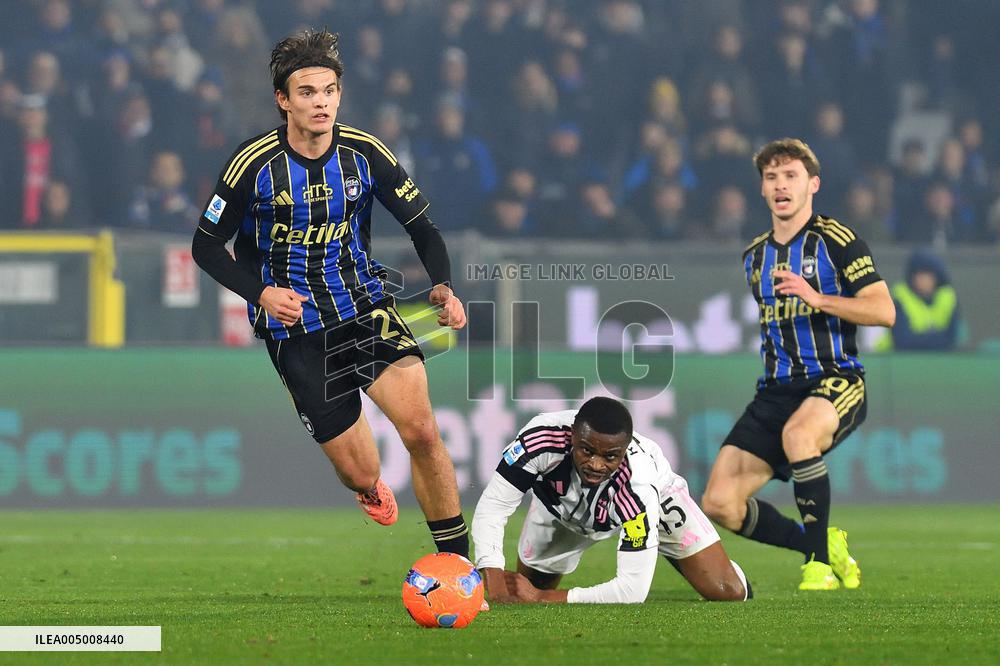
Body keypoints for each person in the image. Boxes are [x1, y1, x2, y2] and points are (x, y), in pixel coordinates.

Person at [190, 29, 470, 558]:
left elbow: (424, 229)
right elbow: (205, 246)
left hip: (363, 307)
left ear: (339, 94)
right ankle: (367, 487)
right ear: (283, 100)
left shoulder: (365, 154)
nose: (320, 102)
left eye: (328, 91)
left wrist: (444, 285)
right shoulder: (252, 164)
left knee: (422, 430)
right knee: (360, 468)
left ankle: (457, 565)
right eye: (306, 92)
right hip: (294, 329)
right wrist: (262, 293)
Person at [700, 139, 896, 591]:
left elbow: (883, 311)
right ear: (763, 190)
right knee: (719, 503)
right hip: (774, 391)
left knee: (799, 435)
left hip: (836, 378)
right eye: (772, 178)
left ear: (813, 184)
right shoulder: (754, 257)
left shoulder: (836, 241)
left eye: (790, 176)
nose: (780, 185)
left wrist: (818, 298)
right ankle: (820, 545)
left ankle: (819, 568)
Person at [472, 397, 750, 604]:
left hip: (655, 502)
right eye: (586, 450)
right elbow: (493, 507)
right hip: (559, 513)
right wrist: (494, 583)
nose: (596, 464)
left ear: (625, 450)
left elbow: (632, 591)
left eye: (610, 456)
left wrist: (544, 596)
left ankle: (666, 547)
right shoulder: (541, 441)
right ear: (572, 437)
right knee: (520, 591)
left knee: (728, 591)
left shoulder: (638, 486)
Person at [878, 249, 960, 351]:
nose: (923, 280)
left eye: (928, 275)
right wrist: (935, 338)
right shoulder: (900, 297)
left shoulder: (947, 297)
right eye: (919, 275)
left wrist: (921, 339)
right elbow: (902, 341)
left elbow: (951, 338)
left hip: (935, 361)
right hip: (893, 361)